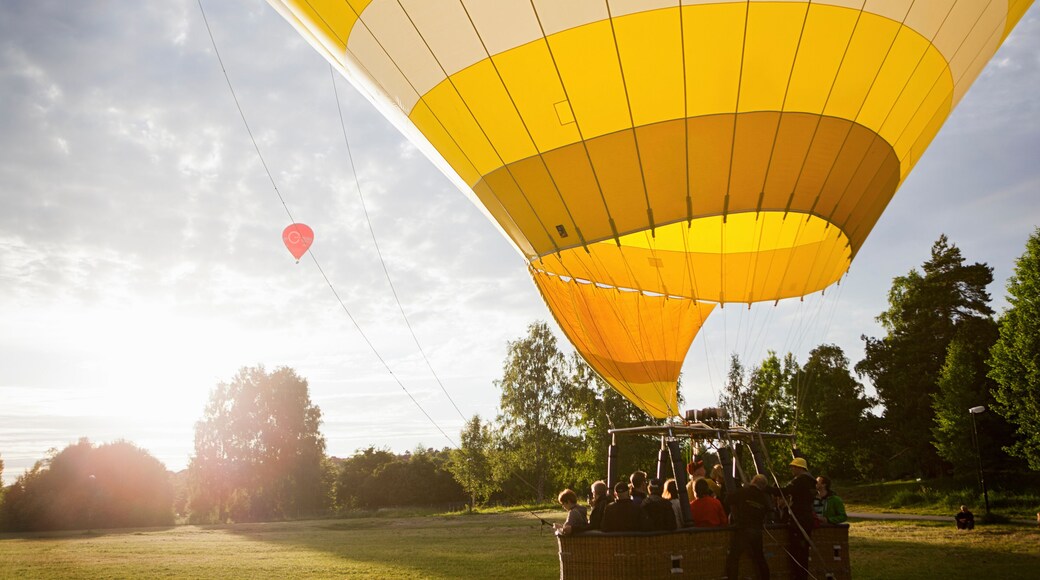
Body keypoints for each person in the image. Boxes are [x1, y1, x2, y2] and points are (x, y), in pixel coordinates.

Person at [771, 457, 817, 580]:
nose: (792, 469)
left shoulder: (800, 481)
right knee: (804, 551)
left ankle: (798, 576)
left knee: (797, 551)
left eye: (793, 467)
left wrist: (767, 489)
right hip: (807, 518)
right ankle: (803, 576)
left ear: (799, 468)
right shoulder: (812, 482)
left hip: (798, 519)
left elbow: (785, 491)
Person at [725, 474, 771, 580]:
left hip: (744, 529)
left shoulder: (743, 492)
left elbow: (728, 500)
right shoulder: (763, 497)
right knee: (760, 558)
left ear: (753, 481)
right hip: (757, 531)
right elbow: (769, 509)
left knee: (734, 557)